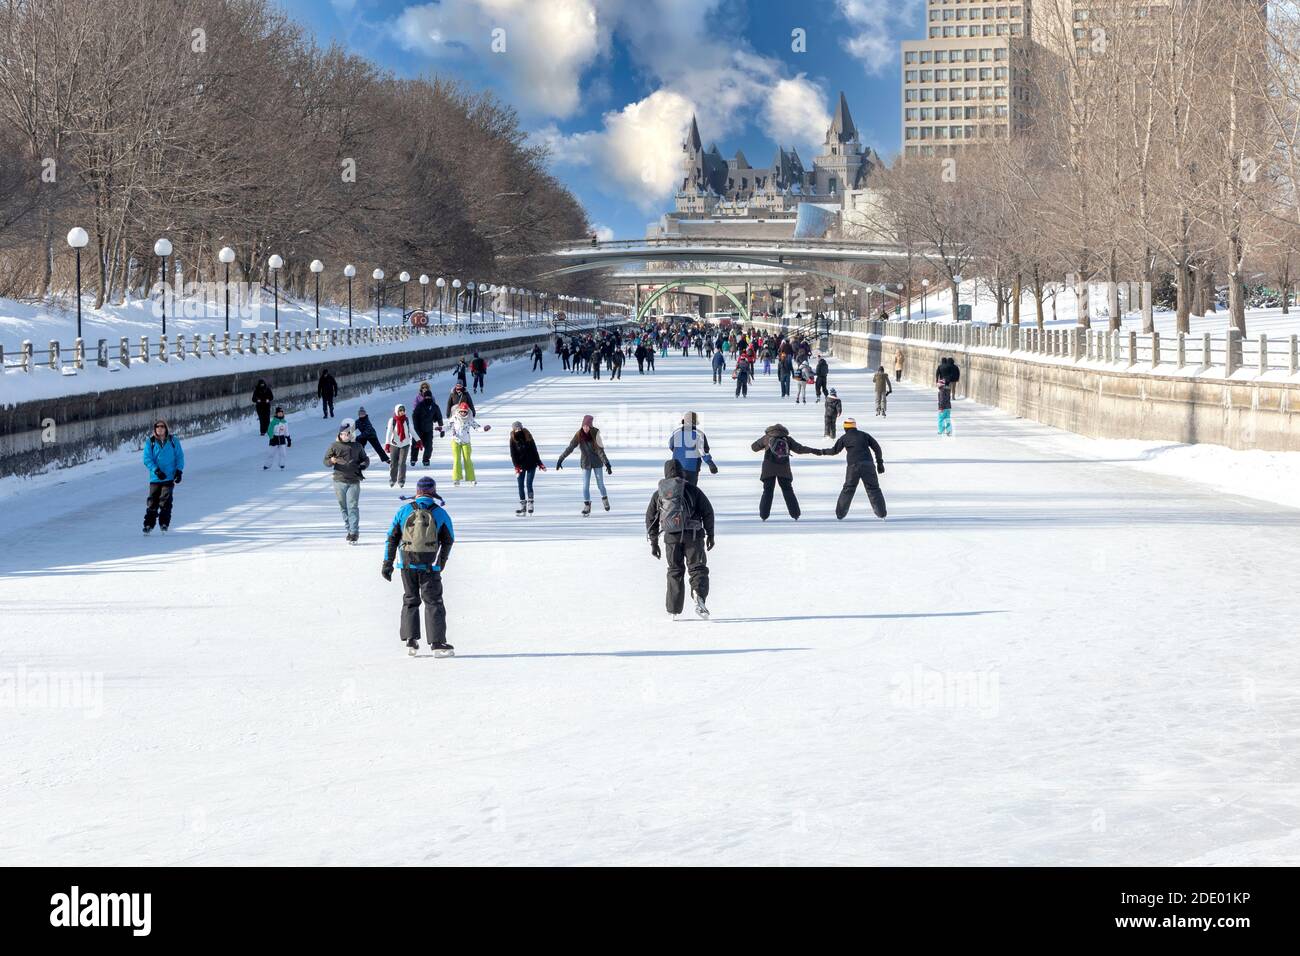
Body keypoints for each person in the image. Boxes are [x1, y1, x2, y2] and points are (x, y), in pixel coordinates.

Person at [381, 475, 455, 657]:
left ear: (417, 491)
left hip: (406, 564)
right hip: (430, 565)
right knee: (433, 602)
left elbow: (391, 538)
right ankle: (437, 644)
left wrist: (387, 563)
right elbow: (448, 539)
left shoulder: (404, 510)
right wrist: (441, 562)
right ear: (433, 492)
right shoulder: (440, 512)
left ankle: (410, 641)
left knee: (410, 599)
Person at [646, 459, 716, 620]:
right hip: (693, 536)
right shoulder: (693, 490)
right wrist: (710, 534)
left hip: (671, 537)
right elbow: (708, 512)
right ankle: (698, 594)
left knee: (675, 571)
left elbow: (651, 519)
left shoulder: (659, 494)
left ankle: (673, 610)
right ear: (682, 472)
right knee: (697, 568)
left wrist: (654, 543)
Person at [819, 418, 887, 520]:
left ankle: (840, 514)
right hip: (868, 465)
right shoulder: (864, 435)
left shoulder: (844, 438)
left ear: (845, 427)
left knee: (848, 489)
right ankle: (881, 514)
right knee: (874, 489)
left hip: (853, 467)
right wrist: (880, 463)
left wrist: (821, 451)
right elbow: (877, 448)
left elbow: (834, 451)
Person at [750, 424, 818, 521]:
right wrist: (814, 451)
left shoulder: (767, 438)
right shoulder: (787, 439)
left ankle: (764, 516)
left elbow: (753, 447)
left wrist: (764, 446)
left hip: (769, 468)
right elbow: (800, 449)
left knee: (767, 491)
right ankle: (795, 514)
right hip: (783, 468)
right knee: (788, 491)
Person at [556, 414, 612, 516]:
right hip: (585, 463)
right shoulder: (578, 435)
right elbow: (570, 448)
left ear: (590, 426)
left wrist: (607, 463)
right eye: (584, 426)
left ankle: (605, 499)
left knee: (600, 485)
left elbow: (600, 451)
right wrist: (561, 459)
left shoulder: (595, 435)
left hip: (597, 463)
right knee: (585, 486)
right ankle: (587, 505)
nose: (585, 428)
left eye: (587, 426)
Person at [324, 419, 369, 544]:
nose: (346, 436)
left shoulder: (357, 446)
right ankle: (349, 530)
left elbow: (365, 459)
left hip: (354, 481)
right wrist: (331, 461)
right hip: (339, 481)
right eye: (344, 434)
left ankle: (354, 532)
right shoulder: (334, 446)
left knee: (352, 507)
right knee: (344, 507)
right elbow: (325, 461)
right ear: (340, 435)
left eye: (348, 433)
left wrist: (363, 465)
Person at [142, 419, 184, 535]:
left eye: (162, 426)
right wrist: (156, 470)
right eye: (157, 427)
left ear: (166, 428)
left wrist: (179, 471)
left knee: (165, 502)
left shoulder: (173, 441)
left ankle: (164, 523)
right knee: (152, 502)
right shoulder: (150, 442)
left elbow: (179, 456)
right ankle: (148, 525)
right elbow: (147, 459)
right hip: (156, 478)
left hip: (169, 477)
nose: (159, 429)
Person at [668, 412, 718, 486]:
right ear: (695, 422)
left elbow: (671, 446)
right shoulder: (699, 434)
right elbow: (703, 452)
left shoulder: (676, 432)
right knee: (691, 492)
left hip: (675, 467)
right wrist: (711, 464)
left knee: (676, 491)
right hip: (691, 468)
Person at [509, 421, 545, 515]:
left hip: (531, 464)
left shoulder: (528, 435)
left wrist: (539, 463)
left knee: (529, 484)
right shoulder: (512, 439)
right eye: (516, 428)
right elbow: (513, 454)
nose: (518, 430)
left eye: (519, 428)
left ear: (521, 428)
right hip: (520, 466)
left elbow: (534, 450)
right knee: (520, 485)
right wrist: (516, 466)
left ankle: (530, 503)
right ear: (513, 429)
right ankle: (523, 506)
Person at [448, 401, 488, 486]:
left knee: (467, 460)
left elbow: (477, 428)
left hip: (466, 441)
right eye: (461, 411)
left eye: (465, 411)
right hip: (455, 441)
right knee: (456, 460)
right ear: (459, 411)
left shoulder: (470, 419)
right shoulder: (454, 418)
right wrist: (440, 428)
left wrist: (484, 429)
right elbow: (447, 426)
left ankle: (471, 479)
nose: (463, 413)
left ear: (467, 411)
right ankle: (456, 479)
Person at [411, 382, 444, 467]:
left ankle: (426, 459)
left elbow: (439, 417)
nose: (428, 398)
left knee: (429, 446)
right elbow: (414, 416)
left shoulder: (434, 406)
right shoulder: (419, 406)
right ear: (424, 397)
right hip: (419, 428)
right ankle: (413, 459)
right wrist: (416, 428)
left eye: (429, 397)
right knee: (415, 444)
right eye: (426, 397)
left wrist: (441, 428)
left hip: (428, 429)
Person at [385, 403, 415, 488]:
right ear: (396, 411)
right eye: (400, 410)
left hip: (405, 444)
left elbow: (412, 431)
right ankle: (392, 479)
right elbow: (389, 432)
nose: (402, 412)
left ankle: (401, 480)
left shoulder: (407, 420)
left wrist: (419, 441)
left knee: (402, 463)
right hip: (394, 444)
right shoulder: (392, 420)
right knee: (394, 463)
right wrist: (387, 444)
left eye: (403, 410)